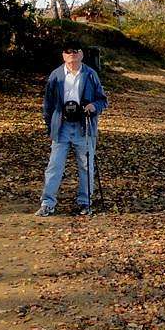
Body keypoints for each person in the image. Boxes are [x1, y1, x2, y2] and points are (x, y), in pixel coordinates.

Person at [38, 40, 108, 216]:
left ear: (82, 54)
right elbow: (48, 104)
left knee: (86, 166)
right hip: (61, 127)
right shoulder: (55, 75)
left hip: (83, 126)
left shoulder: (90, 74)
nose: (72, 55)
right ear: (63, 55)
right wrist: (50, 127)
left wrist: (93, 106)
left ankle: (85, 202)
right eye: (68, 52)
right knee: (54, 166)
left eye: (76, 51)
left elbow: (103, 100)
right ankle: (47, 203)